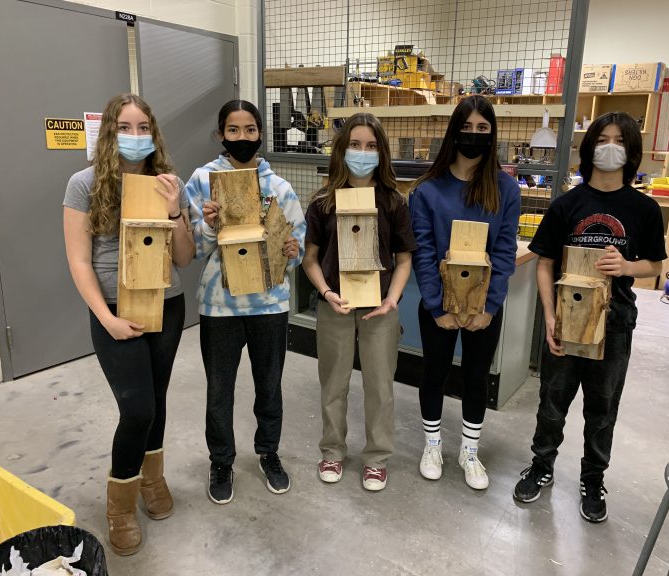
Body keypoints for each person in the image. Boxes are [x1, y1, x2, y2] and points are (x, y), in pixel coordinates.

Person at [512, 112, 666, 522]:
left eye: (619, 140)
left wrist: (627, 267)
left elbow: (655, 265)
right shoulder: (567, 204)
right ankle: (541, 467)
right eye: (603, 139)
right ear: (590, 147)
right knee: (552, 403)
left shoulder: (645, 209)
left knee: (602, 409)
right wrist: (548, 315)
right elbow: (544, 263)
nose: (610, 147)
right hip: (568, 318)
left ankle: (593, 480)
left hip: (614, 324)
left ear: (631, 152)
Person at [63, 93, 195, 555]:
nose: (135, 137)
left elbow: (183, 257)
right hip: (114, 312)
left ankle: (151, 480)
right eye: (124, 127)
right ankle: (119, 504)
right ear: (108, 133)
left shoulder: (167, 183)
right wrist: (107, 318)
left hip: (168, 306)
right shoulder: (84, 184)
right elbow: (79, 262)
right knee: (136, 407)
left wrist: (176, 209)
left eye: (143, 128)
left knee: (156, 400)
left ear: (153, 134)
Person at [185, 100, 305, 505]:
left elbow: (298, 246)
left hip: (270, 305)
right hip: (219, 307)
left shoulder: (279, 187)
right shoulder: (202, 182)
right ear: (221, 135)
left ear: (260, 133)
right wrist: (207, 223)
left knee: (268, 386)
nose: (242, 138)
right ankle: (221, 460)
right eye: (233, 130)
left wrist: (293, 248)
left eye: (249, 130)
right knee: (220, 389)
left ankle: (269, 452)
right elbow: (189, 249)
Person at [409, 95, 520, 490]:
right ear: (454, 131)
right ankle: (433, 445)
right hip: (438, 306)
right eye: (467, 128)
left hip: (484, 308)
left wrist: (489, 306)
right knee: (434, 373)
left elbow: (505, 250)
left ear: (492, 136)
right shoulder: (427, 191)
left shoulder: (505, 189)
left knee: (475, 377)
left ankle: (470, 452)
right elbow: (422, 251)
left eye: (483, 129)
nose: (473, 136)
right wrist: (437, 305)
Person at [302, 112, 417, 491]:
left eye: (371, 146)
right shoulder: (323, 201)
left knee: (380, 386)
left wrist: (392, 300)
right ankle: (332, 451)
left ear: (381, 153)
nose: (362, 153)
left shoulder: (394, 203)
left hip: (379, 309)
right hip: (335, 304)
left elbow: (404, 260)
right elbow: (310, 259)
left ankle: (377, 458)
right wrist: (326, 293)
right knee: (332, 383)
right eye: (355, 145)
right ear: (342, 149)